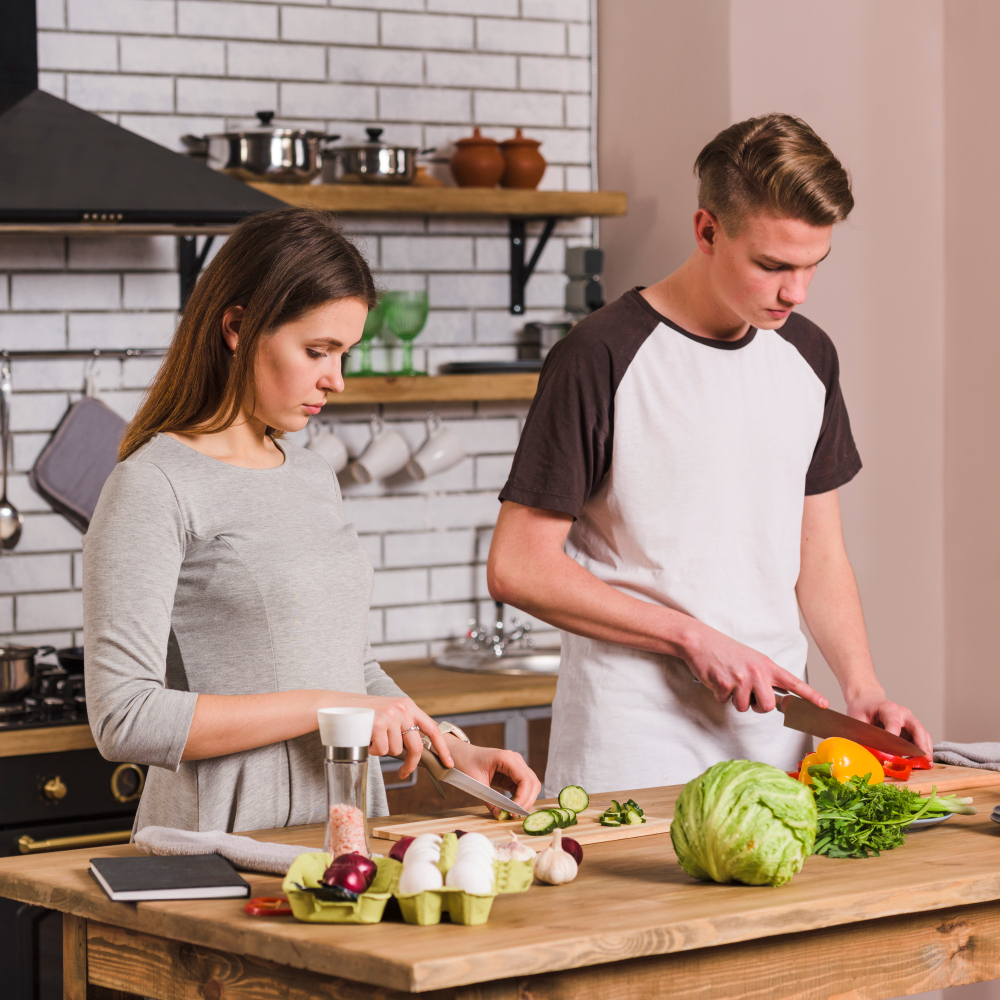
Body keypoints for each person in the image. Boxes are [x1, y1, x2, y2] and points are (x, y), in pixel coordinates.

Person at [487, 114, 932, 797]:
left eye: (813, 266)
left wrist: (859, 686)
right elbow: (519, 567)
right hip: (633, 745)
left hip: (777, 743)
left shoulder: (809, 356)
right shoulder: (599, 355)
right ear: (706, 231)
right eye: (772, 266)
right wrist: (692, 637)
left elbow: (818, 555)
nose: (796, 292)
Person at [83, 207, 540, 834]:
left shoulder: (310, 474)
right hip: (220, 845)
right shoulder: (153, 484)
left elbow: (348, 668)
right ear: (238, 327)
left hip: (345, 832)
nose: (338, 379)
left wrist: (448, 751)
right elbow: (123, 718)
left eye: (345, 353)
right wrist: (329, 706)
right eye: (317, 350)